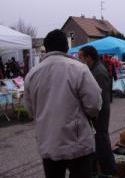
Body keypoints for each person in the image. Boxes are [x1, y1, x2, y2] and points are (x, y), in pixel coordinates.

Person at [24, 30, 102, 178]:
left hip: (48, 144)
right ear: (67, 48)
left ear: (45, 49)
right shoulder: (79, 69)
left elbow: (30, 109)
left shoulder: (32, 74)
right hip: (77, 144)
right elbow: (94, 104)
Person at [79, 46, 116, 176]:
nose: (79, 60)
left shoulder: (98, 72)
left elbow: (100, 99)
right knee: (98, 142)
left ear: (89, 58)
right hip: (97, 114)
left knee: (102, 142)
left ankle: (110, 171)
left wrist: (95, 115)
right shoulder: (93, 69)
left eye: (81, 57)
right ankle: (96, 169)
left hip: (99, 114)